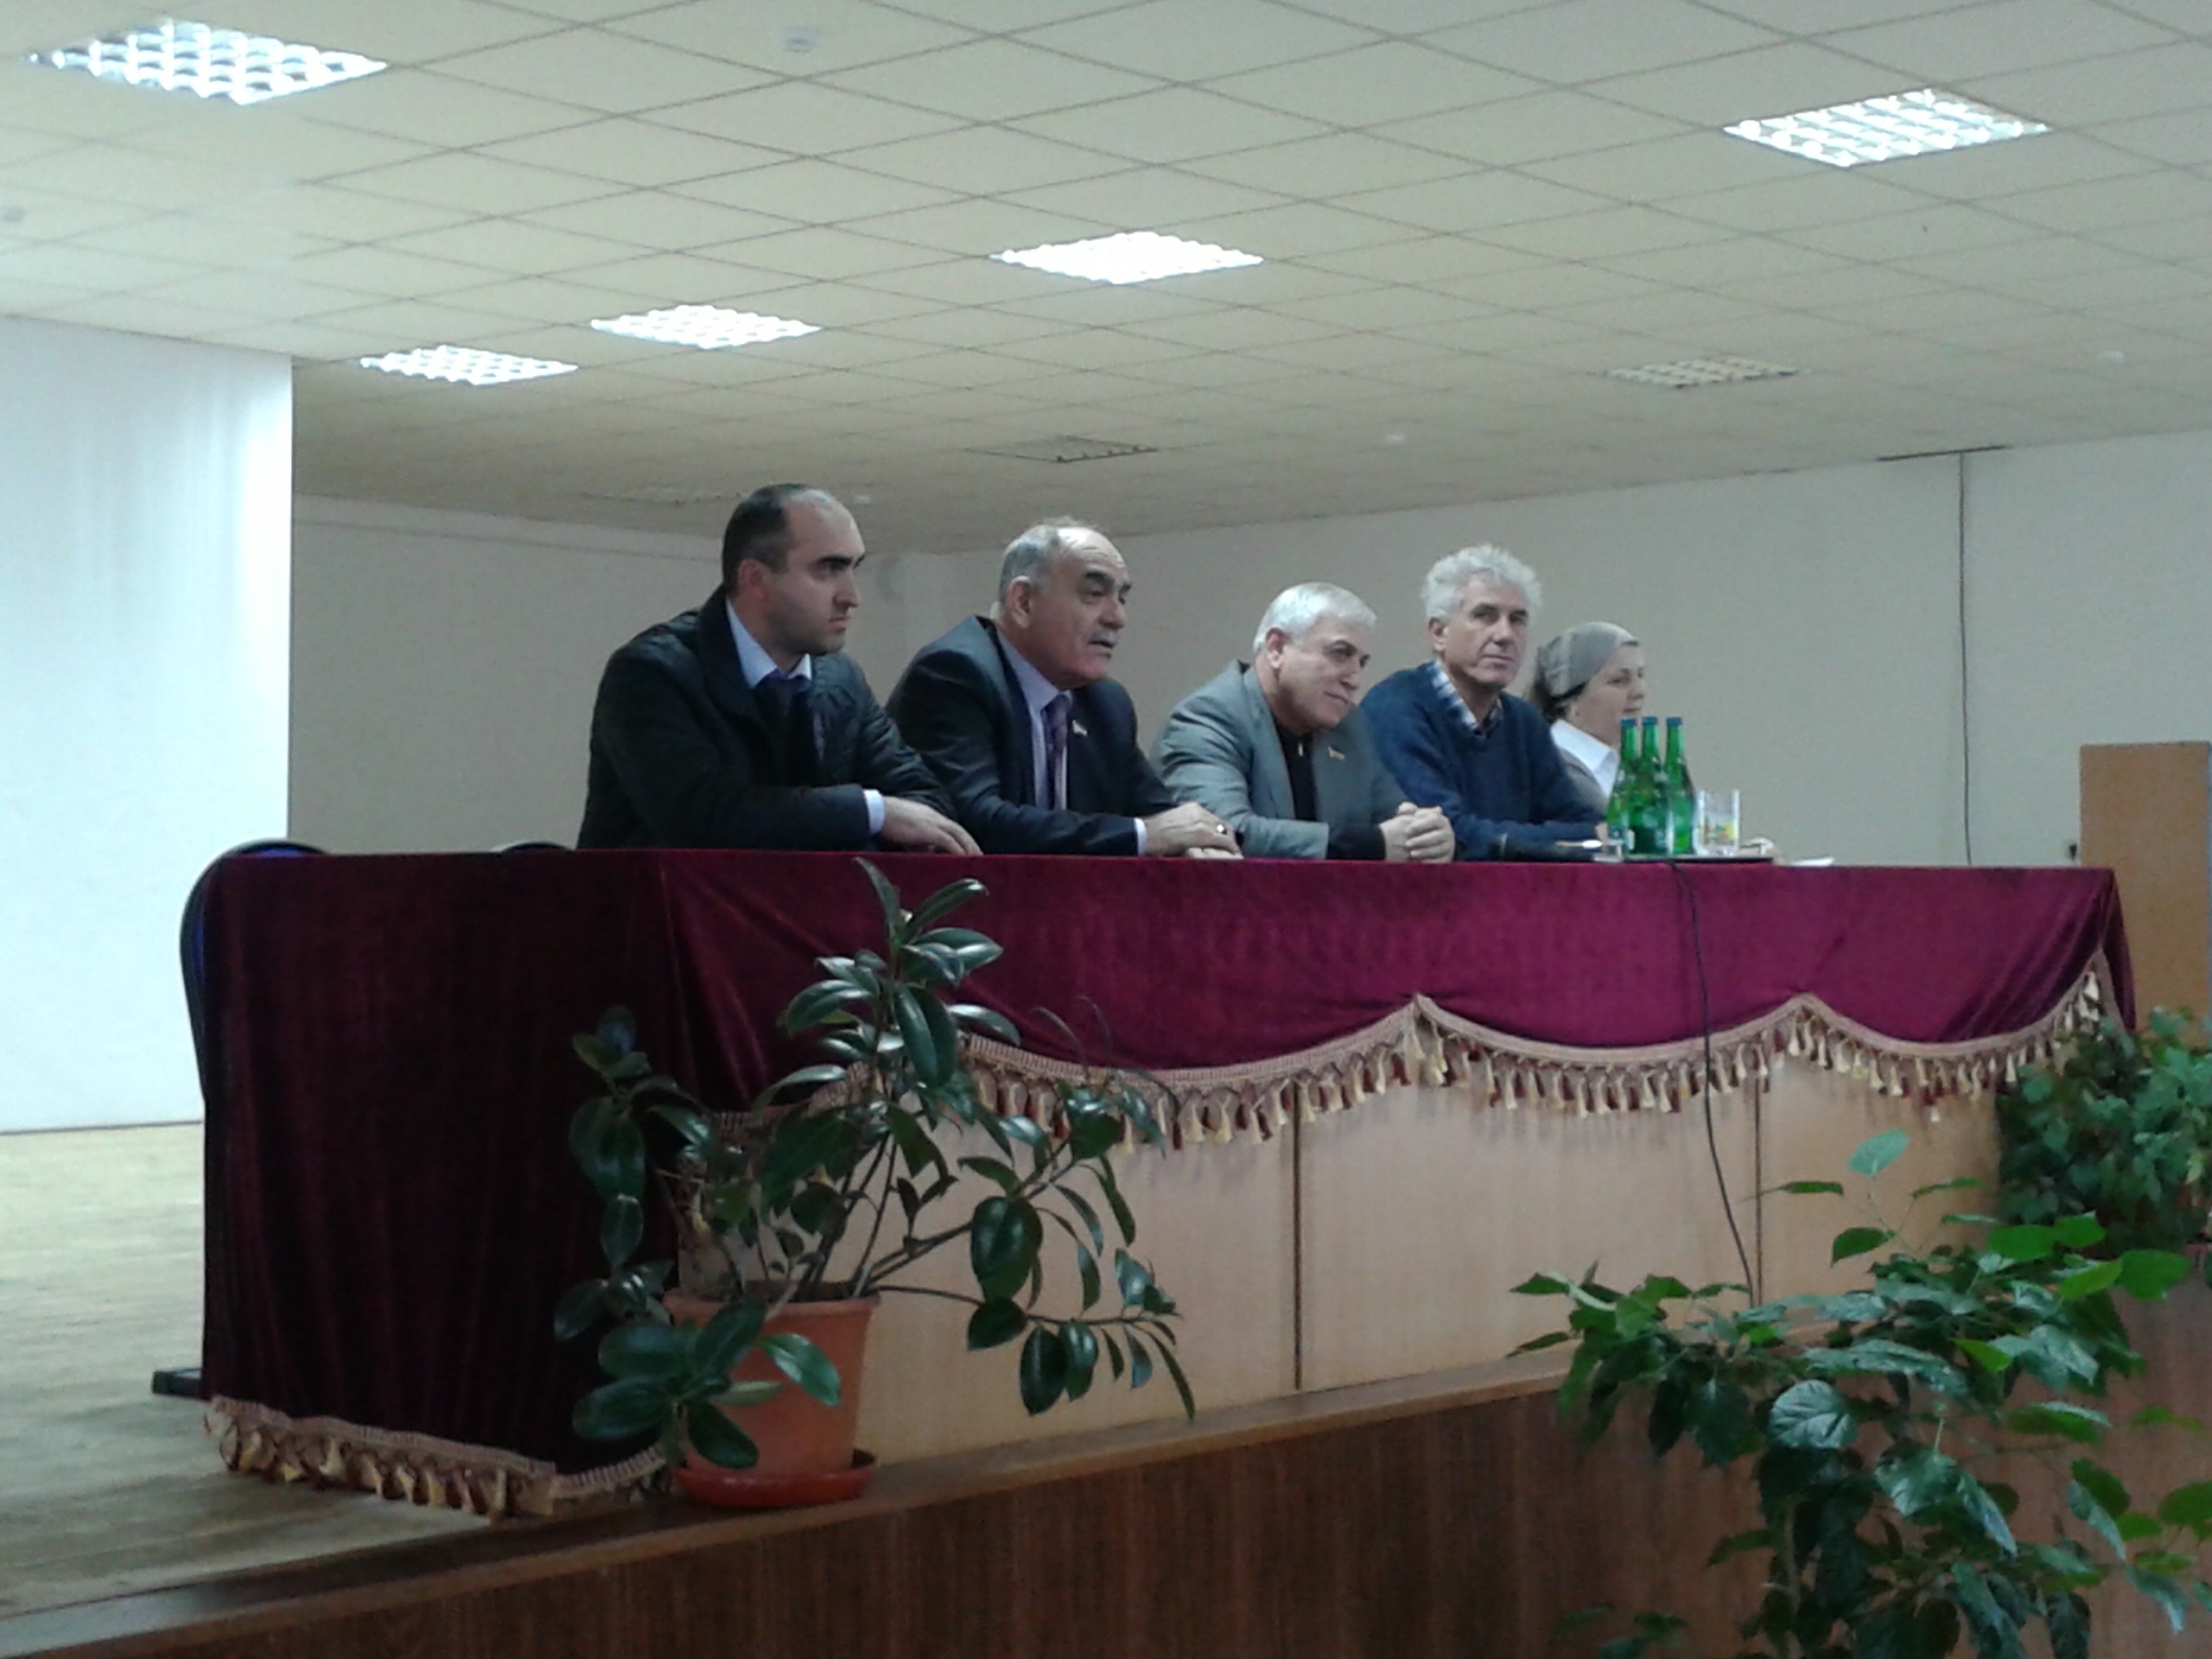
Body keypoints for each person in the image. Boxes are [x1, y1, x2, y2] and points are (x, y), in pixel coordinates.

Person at [577, 484, 978, 853]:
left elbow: (925, 804)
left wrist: (874, 819)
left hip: (801, 909)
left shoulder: (842, 680)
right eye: (828, 569)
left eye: (853, 568)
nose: (851, 596)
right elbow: (703, 818)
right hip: (656, 908)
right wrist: (870, 812)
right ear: (755, 579)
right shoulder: (652, 674)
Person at [887, 519, 1238, 857]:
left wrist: (1204, 841)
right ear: (1023, 602)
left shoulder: (1105, 703)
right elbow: (972, 824)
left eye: (1121, 599)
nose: (1117, 618)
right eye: (1094, 594)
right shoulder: (955, 674)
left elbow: (1162, 814)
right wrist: (1141, 835)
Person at [1152, 582, 1453, 861]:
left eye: (1361, 662)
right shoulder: (1206, 718)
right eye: (1340, 654)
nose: (1355, 679)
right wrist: (1371, 844)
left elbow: (1397, 818)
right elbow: (1222, 831)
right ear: (1276, 648)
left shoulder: (1349, 726)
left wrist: (1430, 836)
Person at [1361, 545, 1599, 860]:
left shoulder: (1524, 721)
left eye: (1517, 620)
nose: (1505, 635)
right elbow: (1447, 835)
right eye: (1484, 616)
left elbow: (1587, 823)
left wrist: (1516, 841)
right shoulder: (1396, 707)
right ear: (1439, 634)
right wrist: (1552, 840)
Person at [1529, 622, 1646, 816]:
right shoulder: (1556, 770)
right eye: (1619, 681)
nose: (1639, 691)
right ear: (1572, 702)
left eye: (1641, 675)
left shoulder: (1618, 765)